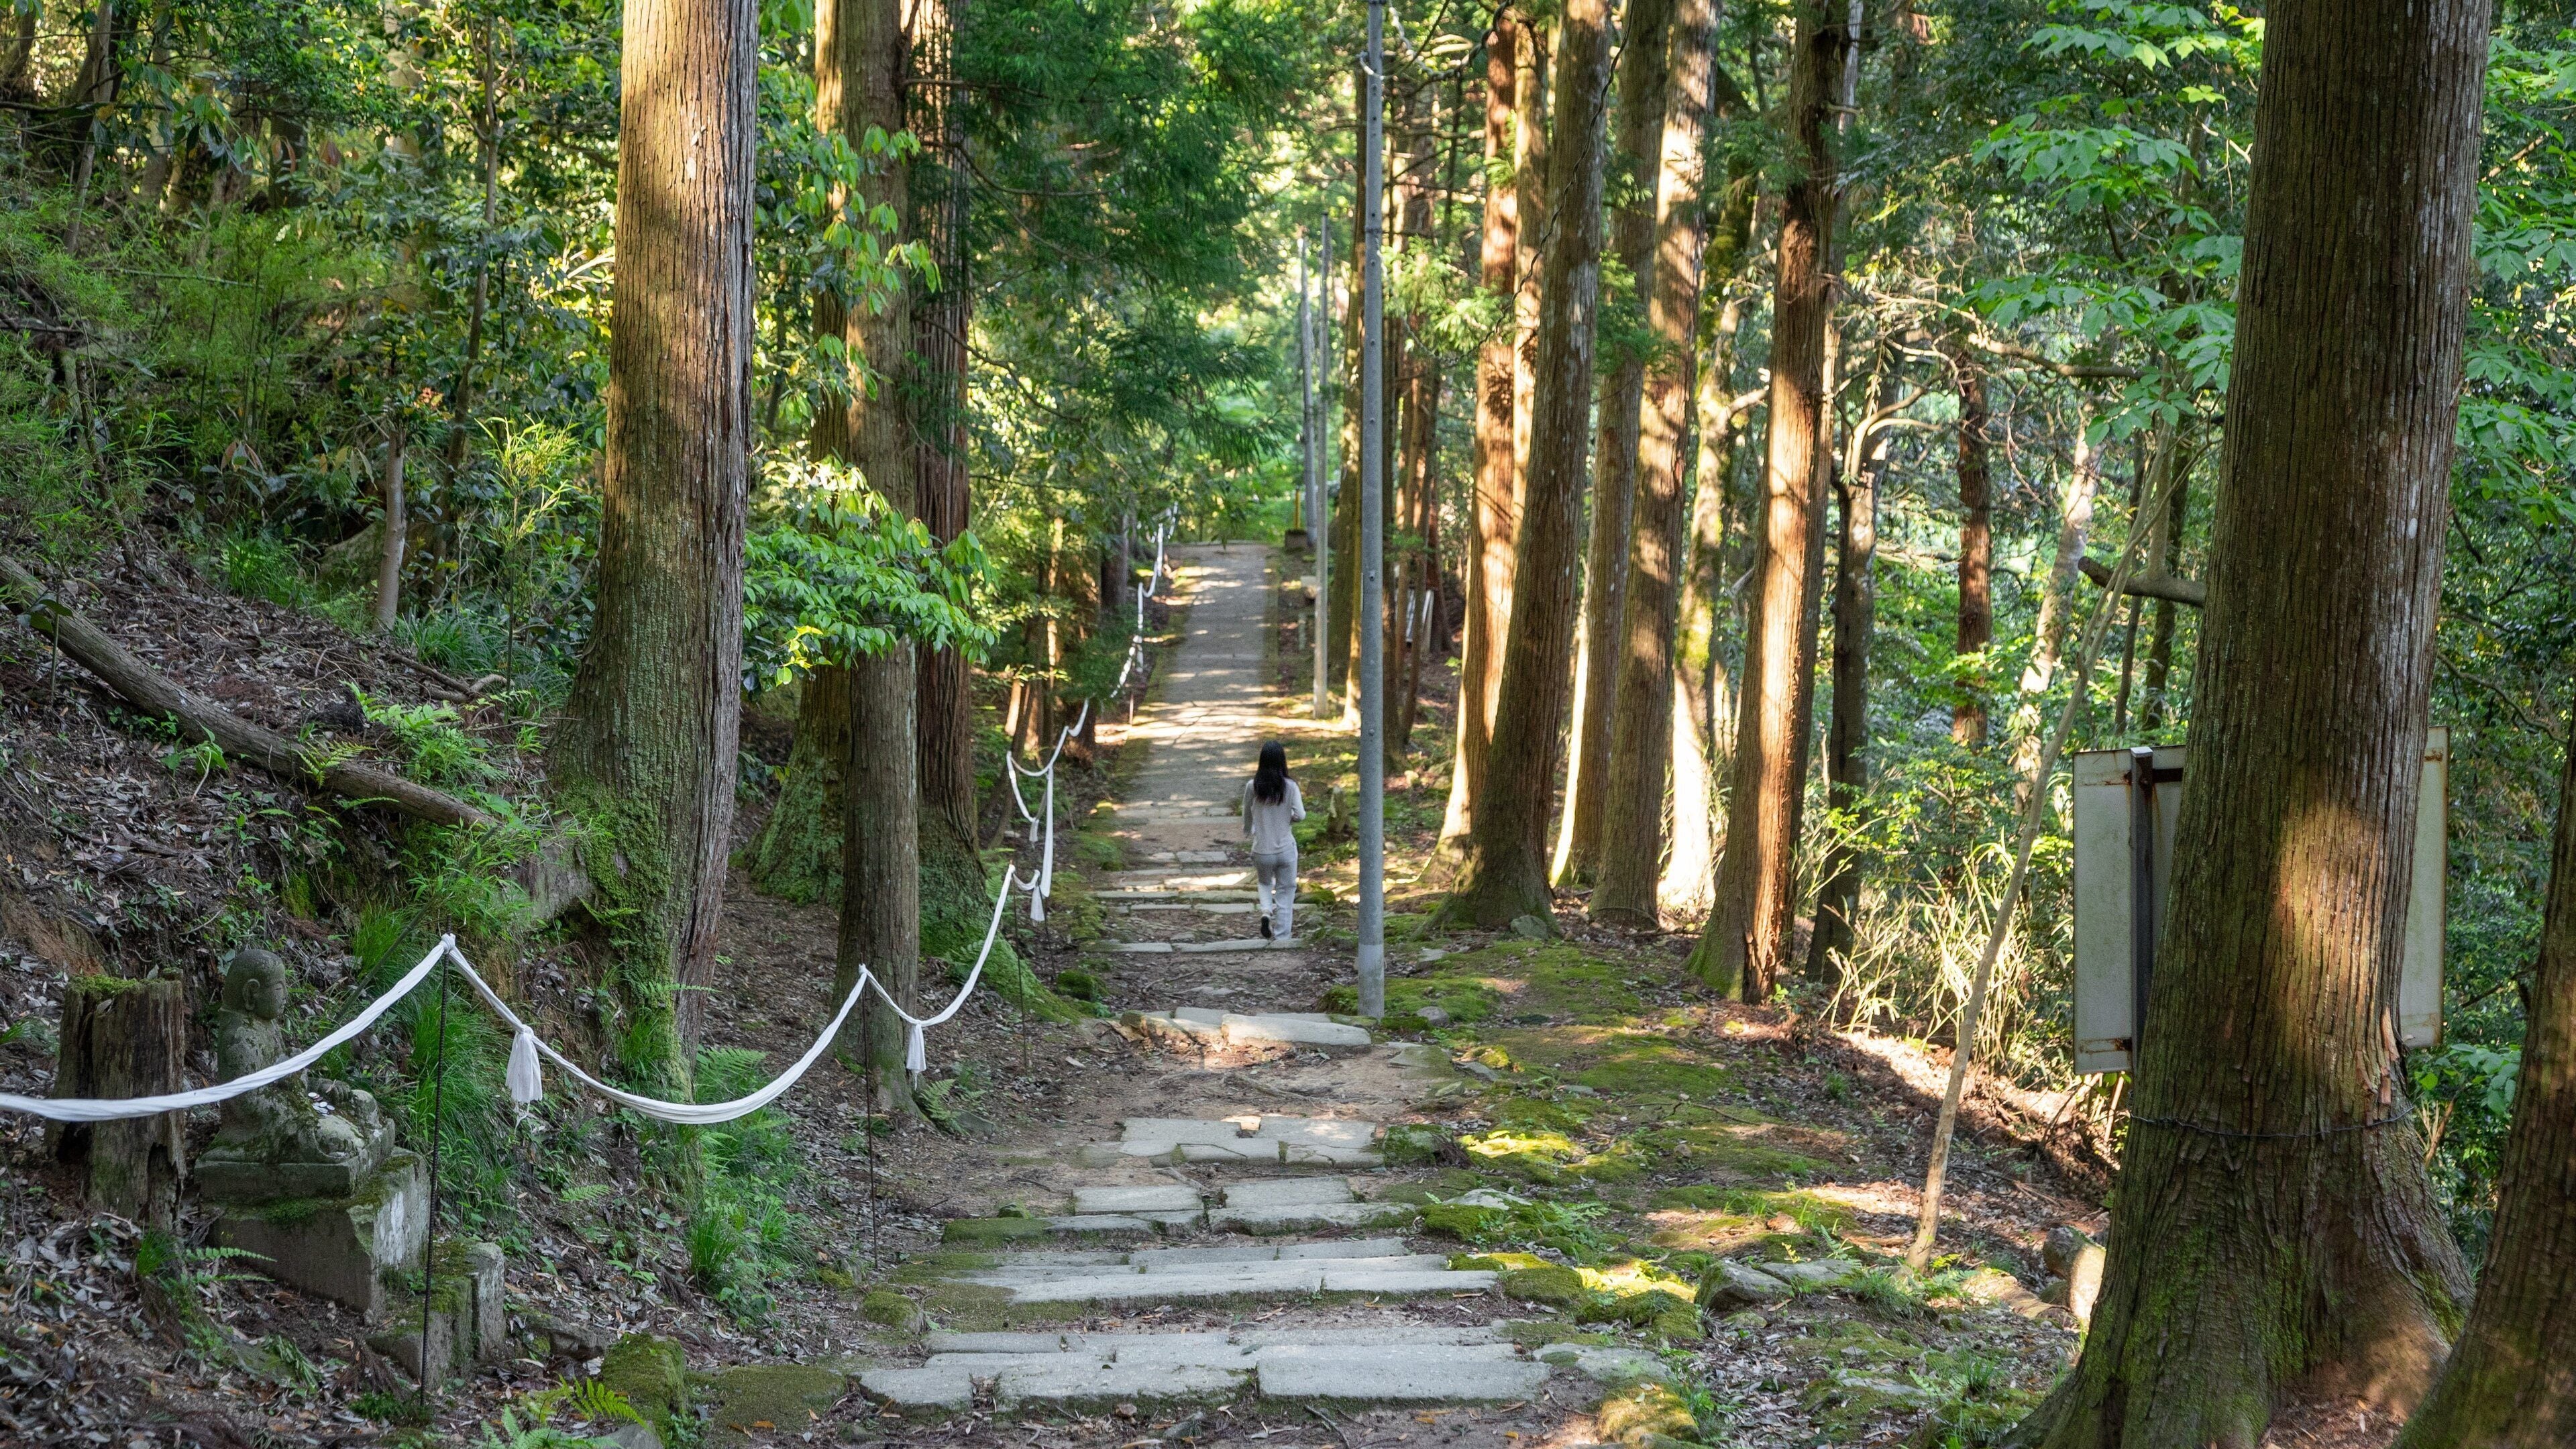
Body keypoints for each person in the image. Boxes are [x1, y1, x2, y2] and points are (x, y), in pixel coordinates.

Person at [1242, 741, 1305, 942]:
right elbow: (1301, 815)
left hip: (1262, 850)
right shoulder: (1290, 786)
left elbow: (1247, 814)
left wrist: (1250, 830)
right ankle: (1282, 937)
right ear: (1282, 761)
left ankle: (1266, 912)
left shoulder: (1253, 786)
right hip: (1286, 849)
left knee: (1264, 883)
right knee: (1286, 892)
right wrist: (1291, 817)